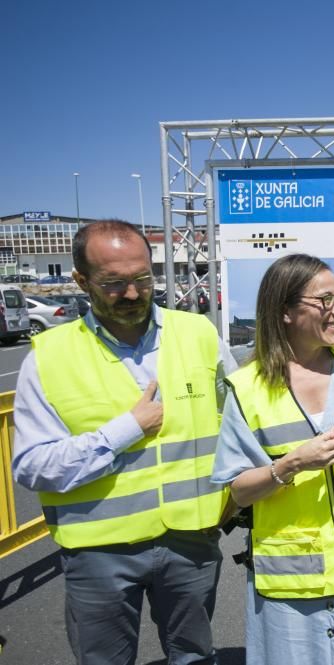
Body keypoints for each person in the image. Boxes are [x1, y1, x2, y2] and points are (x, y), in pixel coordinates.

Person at [12, 219, 236, 665]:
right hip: (99, 553)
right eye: (114, 283)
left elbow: (239, 419)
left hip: (191, 541)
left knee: (194, 656)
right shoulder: (49, 357)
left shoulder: (198, 334)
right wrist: (125, 430)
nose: (132, 294)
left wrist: (234, 498)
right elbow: (32, 466)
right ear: (81, 280)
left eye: (141, 279)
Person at [211, 254, 334, 665]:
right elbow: (238, 490)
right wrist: (291, 464)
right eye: (326, 300)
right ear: (285, 311)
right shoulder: (248, 388)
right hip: (290, 574)